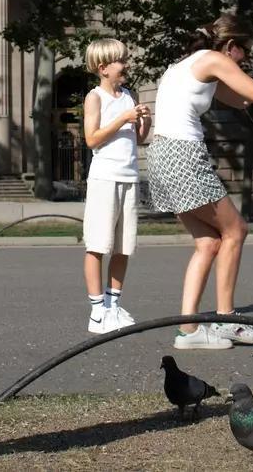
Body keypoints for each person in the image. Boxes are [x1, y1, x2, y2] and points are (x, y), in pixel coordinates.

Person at [148, 13, 253, 350]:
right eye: (244, 50)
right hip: (182, 154)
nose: (244, 58)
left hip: (160, 155)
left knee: (208, 242)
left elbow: (245, 100)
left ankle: (188, 332)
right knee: (236, 230)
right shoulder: (214, 59)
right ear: (230, 45)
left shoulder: (189, 64)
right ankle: (226, 319)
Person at [81, 39, 150, 334]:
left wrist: (143, 121)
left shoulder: (128, 95)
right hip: (105, 178)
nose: (127, 64)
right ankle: (97, 312)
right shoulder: (95, 97)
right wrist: (123, 117)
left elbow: (139, 139)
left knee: (123, 247)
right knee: (98, 245)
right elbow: (92, 139)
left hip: (128, 177)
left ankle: (113, 305)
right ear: (103, 68)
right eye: (121, 60)